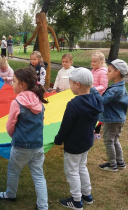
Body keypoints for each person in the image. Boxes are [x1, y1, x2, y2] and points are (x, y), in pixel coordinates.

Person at [0, 67, 49, 210]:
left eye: (14, 81)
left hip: (20, 147)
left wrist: (14, 136)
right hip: (38, 145)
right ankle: (43, 206)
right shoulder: (39, 100)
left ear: (22, 84)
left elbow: (10, 125)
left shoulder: (17, 102)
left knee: (13, 170)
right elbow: (41, 121)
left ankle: (10, 194)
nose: (12, 84)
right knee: (38, 175)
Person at [54, 68, 103, 210]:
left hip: (74, 144)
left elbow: (65, 126)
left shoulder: (73, 105)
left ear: (77, 84)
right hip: (86, 141)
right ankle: (87, 195)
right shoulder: (95, 101)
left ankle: (76, 200)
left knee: (72, 171)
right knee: (82, 167)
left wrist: (58, 139)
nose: (70, 86)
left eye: (70, 83)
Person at [96, 59, 128, 172]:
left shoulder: (115, 89)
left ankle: (112, 164)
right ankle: (120, 162)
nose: (106, 73)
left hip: (112, 120)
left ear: (117, 72)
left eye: (109, 71)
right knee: (114, 140)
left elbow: (102, 101)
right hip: (119, 118)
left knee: (109, 141)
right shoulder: (120, 87)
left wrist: (93, 90)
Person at [91, 52, 108, 140]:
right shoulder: (93, 70)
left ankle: (97, 132)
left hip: (98, 96)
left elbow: (103, 86)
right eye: (92, 61)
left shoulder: (103, 72)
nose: (92, 63)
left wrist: (93, 89)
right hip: (92, 95)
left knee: (98, 114)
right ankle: (91, 129)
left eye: (95, 61)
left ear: (101, 62)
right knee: (92, 112)